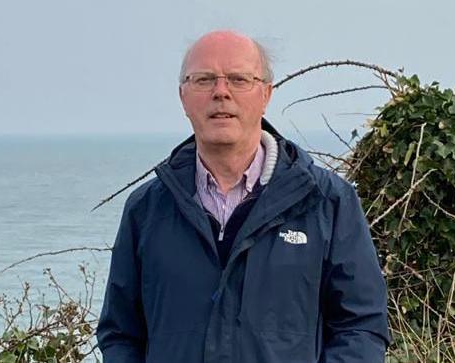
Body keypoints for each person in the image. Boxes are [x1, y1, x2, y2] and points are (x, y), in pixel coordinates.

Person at [96, 30, 389, 363]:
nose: (221, 93)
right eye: (204, 80)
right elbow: (120, 334)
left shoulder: (328, 202)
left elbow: (361, 328)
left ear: (265, 94)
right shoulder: (146, 210)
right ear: (183, 97)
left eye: (238, 79)